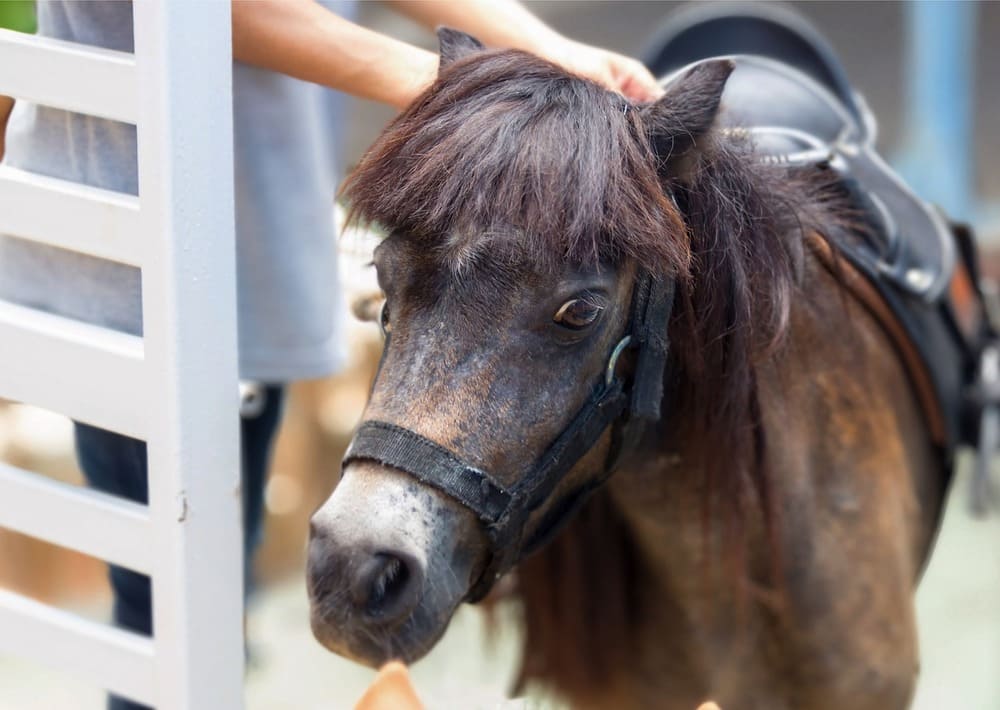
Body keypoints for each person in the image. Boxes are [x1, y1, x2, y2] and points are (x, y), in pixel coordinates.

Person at [0, 2, 660, 709]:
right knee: (169, 607)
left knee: (216, 585)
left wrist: (539, 46)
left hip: (250, 237)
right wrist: (469, 93)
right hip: (141, 245)